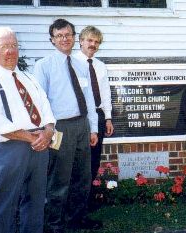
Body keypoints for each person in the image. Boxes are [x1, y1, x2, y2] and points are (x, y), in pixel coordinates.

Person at [0, 26, 56, 233]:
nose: (10, 51)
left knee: (35, 203)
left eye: (14, 46)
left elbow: (46, 108)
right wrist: (32, 137)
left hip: (40, 147)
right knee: (3, 206)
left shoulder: (29, 78)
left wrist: (48, 131)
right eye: (4, 47)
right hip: (9, 150)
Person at [33, 19, 101, 232]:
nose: (65, 39)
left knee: (83, 178)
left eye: (68, 34)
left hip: (81, 125)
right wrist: (47, 129)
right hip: (59, 128)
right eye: (59, 35)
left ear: (74, 37)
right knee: (59, 179)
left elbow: (89, 99)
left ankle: (76, 220)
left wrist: (93, 128)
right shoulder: (43, 65)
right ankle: (55, 225)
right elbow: (39, 101)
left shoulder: (82, 65)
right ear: (52, 40)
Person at [73, 26, 114, 209]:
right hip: (79, 117)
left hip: (97, 115)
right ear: (80, 41)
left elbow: (105, 94)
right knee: (78, 162)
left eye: (96, 42)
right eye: (90, 40)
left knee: (94, 161)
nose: (93, 45)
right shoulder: (71, 62)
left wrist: (108, 118)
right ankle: (73, 204)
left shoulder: (100, 65)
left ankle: (86, 202)